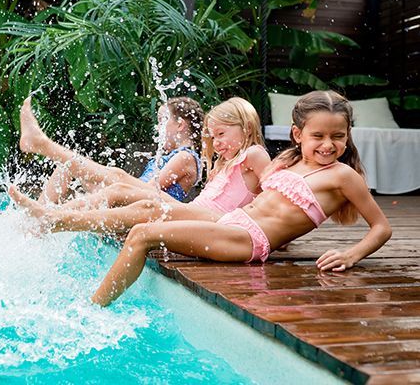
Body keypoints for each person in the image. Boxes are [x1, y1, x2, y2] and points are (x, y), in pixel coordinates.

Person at [26, 90, 393, 306]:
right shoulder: (290, 162)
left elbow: (381, 228)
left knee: (143, 234)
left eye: (338, 136)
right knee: (148, 209)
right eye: (318, 136)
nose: (329, 145)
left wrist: (351, 253)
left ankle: (94, 308)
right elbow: (262, 192)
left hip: (251, 240)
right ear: (297, 134)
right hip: (231, 222)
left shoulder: (343, 176)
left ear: (347, 135)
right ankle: (54, 220)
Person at [9, 97, 271, 233]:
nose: (217, 142)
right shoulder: (225, 164)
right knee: (101, 176)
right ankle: (40, 214)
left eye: (222, 135)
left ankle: (43, 149)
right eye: (213, 136)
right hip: (183, 212)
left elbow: (277, 193)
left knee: (118, 180)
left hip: (186, 215)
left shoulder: (246, 154)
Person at [19, 95, 204, 204]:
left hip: (141, 207)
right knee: (68, 166)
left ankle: (40, 144)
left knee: (111, 173)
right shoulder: (174, 155)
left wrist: (112, 187)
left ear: (180, 125)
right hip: (131, 200)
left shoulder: (185, 157)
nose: (158, 128)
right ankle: (37, 219)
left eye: (163, 121)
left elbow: (148, 190)